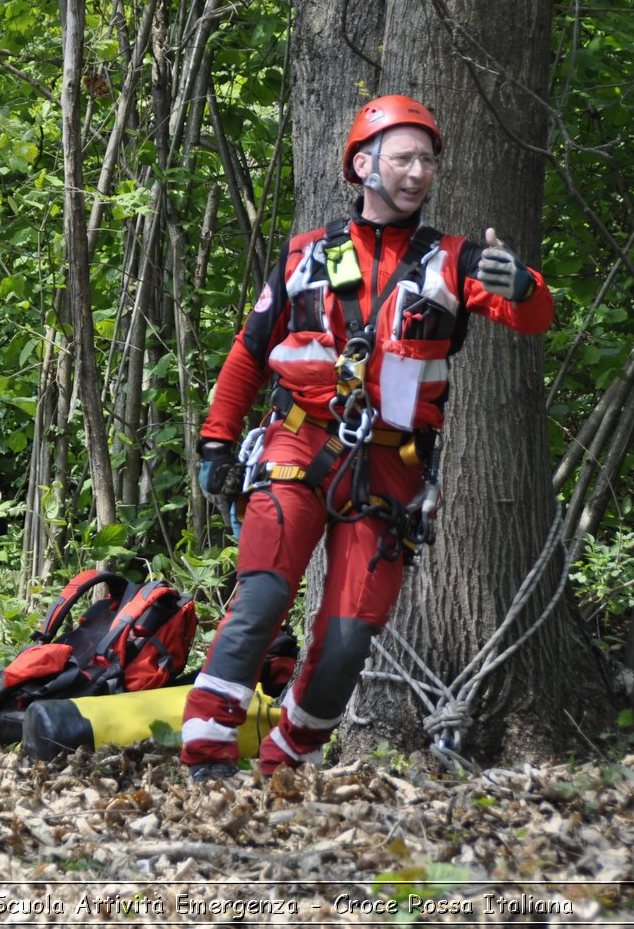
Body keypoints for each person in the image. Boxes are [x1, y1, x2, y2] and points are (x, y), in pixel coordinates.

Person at [184, 95, 555, 780]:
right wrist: (215, 442)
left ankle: (283, 765)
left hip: (390, 470)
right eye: (405, 156)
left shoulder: (454, 261)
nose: (420, 171)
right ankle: (205, 758)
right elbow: (247, 353)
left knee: (348, 640)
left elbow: (533, 318)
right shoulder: (305, 256)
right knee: (262, 598)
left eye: (429, 160)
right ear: (363, 164)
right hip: (297, 444)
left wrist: (524, 282)